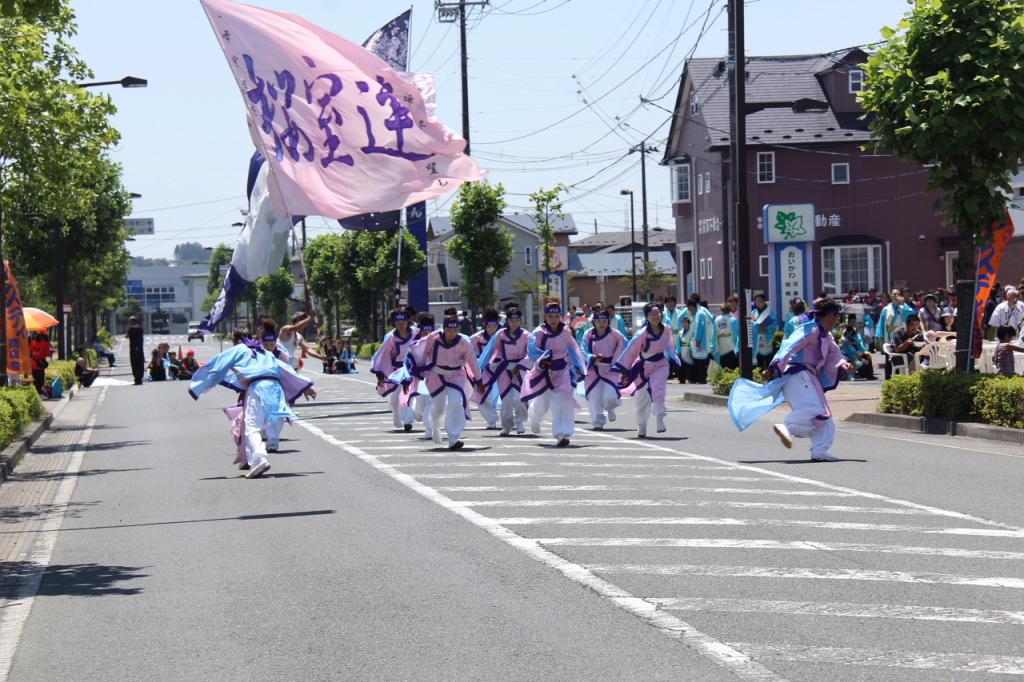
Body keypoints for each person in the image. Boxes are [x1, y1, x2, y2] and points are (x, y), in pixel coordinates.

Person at [728, 299, 852, 462]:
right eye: (836, 316)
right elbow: (790, 346)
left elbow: (835, 353)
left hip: (805, 377)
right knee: (815, 409)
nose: (837, 320)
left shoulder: (826, 335)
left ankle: (820, 449)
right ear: (829, 315)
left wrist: (843, 364)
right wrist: (773, 367)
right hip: (797, 375)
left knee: (825, 418)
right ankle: (787, 427)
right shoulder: (811, 328)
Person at [189, 323, 316, 479]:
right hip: (274, 388)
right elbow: (284, 368)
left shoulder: (239, 349)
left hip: (257, 387)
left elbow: (218, 364)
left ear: (235, 339)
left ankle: (259, 459)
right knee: (268, 421)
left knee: (251, 426)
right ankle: (252, 456)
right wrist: (305, 387)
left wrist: (198, 384)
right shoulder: (264, 351)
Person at [522, 296, 587, 447]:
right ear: (545, 316)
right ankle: (534, 418)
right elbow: (532, 351)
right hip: (544, 371)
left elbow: (573, 348)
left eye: (556, 316)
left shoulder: (565, 331)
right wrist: (544, 359)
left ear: (561, 316)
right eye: (550, 316)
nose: (553, 319)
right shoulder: (539, 332)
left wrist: (580, 365)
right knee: (542, 404)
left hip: (562, 370)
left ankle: (561, 434)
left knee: (563, 401)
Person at [613, 302, 678, 438]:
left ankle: (660, 418)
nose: (655, 316)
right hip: (643, 366)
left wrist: (674, 357)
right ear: (647, 316)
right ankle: (642, 424)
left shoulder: (667, 329)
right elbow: (631, 351)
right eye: (651, 314)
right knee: (642, 397)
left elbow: (670, 345)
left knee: (658, 388)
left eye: (657, 313)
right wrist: (625, 370)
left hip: (660, 364)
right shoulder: (642, 333)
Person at [422, 309, 481, 450]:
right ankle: (435, 427)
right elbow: (422, 353)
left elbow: (472, 361)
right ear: (443, 328)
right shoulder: (433, 338)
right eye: (448, 330)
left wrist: (479, 380)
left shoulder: (464, 342)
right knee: (438, 407)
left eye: (455, 330)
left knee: (456, 402)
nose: (452, 333)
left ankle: (453, 438)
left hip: (456, 375)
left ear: (459, 329)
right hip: (436, 374)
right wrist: (419, 371)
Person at [475, 303, 532, 436]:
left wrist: (521, 365)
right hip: (504, 369)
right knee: (506, 399)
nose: (514, 323)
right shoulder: (501, 334)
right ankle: (507, 425)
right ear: (507, 321)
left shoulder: (526, 335)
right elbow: (492, 351)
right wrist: (484, 367)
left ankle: (520, 422)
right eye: (511, 320)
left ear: (521, 321)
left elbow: (531, 353)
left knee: (519, 398)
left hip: (520, 369)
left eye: (517, 320)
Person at [388, 312, 438, 440]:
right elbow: (408, 360)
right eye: (425, 330)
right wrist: (409, 375)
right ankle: (410, 418)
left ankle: (429, 430)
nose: (427, 333)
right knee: (409, 401)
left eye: (430, 330)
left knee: (430, 403)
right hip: (416, 376)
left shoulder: (439, 339)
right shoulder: (413, 342)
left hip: (434, 377)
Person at [579, 305, 626, 430]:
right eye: (598, 321)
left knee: (610, 397)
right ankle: (597, 423)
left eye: (604, 321)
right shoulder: (588, 334)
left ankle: (610, 407)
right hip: (593, 369)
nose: (601, 324)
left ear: (608, 321)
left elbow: (624, 345)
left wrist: (616, 361)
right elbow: (583, 350)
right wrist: (592, 357)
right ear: (594, 321)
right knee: (594, 398)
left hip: (610, 369)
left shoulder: (615, 334)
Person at [371, 308, 417, 431]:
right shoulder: (391, 337)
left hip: (413, 368)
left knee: (410, 394)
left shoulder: (416, 333)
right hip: (397, 370)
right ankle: (397, 415)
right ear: (394, 323)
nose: (401, 325)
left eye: (403, 322)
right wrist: (380, 373)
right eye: (398, 322)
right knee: (396, 397)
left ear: (408, 322)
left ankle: (408, 420)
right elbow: (382, 355)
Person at [469, 307, 502, 429]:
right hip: (484, 373)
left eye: (494, 325)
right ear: (485, 324)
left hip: (502, 372)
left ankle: (511, 420)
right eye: (489, 325)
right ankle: (492, 419)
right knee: (480, 397)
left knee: (509, 397)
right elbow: (469, 354)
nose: (492, 328)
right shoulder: (476, 338)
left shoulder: (503, 336)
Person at [684, 296, 715, 384]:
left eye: (688, 308)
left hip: (699, 341)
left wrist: (698, 340)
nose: (688, 310)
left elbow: (699, 327)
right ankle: (699, 378)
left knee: (700, 361)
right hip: (696, 341)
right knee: (698, 360)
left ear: (691, 306)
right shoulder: (696, 314)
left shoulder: (700, 314)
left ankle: (701, 379)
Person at [750, 294, 778, 371]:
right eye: (757, 302)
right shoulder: (753, 313)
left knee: (769, 361)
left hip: (768, 339)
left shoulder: (770, 313)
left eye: (760, 301)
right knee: (758, 363)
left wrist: (767, 328)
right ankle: (759, 376)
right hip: (757, 339)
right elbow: (750, 325)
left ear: (764, 301)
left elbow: (775, 324)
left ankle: (770, 376)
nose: (759, 303)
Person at [712, 302, 739, 370]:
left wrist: (714, 349)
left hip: (721, 348)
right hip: (731, 348)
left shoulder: (716, 320)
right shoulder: (733, 320)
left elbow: (714, 336)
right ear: (729, 310)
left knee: (723, 369)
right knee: (732, 370)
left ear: (721, 310)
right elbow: (736, 336)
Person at [125, 316, 145, 385]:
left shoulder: (131, 329)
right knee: (140, 363)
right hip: (140, 348)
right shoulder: (140, 328)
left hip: (133, 348)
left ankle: (137, 379)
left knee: (134, 364)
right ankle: (140, 378)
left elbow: (126, 336)